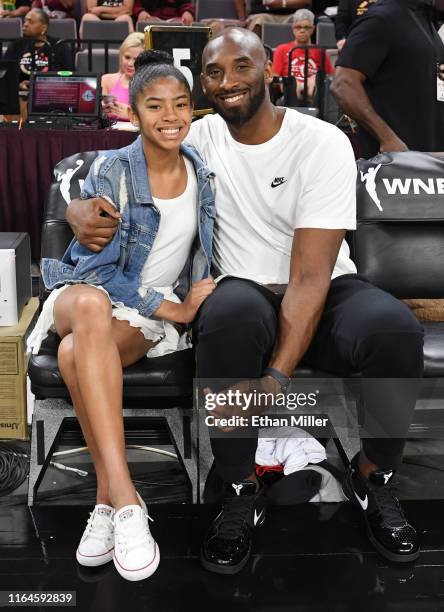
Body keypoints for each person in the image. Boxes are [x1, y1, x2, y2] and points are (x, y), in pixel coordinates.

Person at [66, 28, 424, 574]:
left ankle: (374, 477)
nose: (228, 81)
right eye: (214, 72)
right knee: (228, 317)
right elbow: (116, 161)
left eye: (242, 67)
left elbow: (309, 277)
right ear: (203, 84)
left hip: (321, 285)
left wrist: (275, 379)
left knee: (394, 330)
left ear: (269, 74)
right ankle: (238, 485)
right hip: (242, 287)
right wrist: (76, 207)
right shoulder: (198, 135)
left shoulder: (322, 140)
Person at [27, 50, 216, 581]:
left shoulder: (204, 173)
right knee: (86, 307)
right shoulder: (114, 171)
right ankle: (131, 501)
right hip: (84, 289)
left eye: (181, 104)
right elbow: (100, 273)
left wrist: (194, 299)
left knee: (73, 354)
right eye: (156, 106)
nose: (171, 116)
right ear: (135, 114)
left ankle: (106, 504)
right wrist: (172, 307)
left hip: (138, 313)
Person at [332, 0, 444, 158]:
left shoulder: (426, 19)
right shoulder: (382, 18)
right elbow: (343, 84)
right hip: (395, 163)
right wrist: (387, 138)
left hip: (430, 157)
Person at [4, 8, 72, 117]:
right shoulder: (16, 46)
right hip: (20, 96)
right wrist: (18, 84)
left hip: (50, 95)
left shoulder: (59, 46)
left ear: (44, 27)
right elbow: (4, 75)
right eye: (25, 21)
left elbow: (69, 75)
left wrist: (40, 85)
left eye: (30, 22)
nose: (25, 24)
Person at [272, 8, 334, 103]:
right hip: (288, 94)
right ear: (293, 28)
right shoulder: (282, 49)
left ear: (313, 29)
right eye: (298, 27)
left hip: (314, 94)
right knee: (292, 82)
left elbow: (330, 76)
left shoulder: (319, 51)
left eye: (306, 27)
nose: (302, 30)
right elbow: (275, 77)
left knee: (313, 80)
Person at [101, 32, 144, 121]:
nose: (130, 64)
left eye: (136, 59)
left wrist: (130, 114)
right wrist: (100, 110)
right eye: (127, 57)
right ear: (121, 56)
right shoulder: (106, 80)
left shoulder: (153, 86)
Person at [235, 0, 311, 36]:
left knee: (302, 21)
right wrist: (242, 19)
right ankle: (254, 54)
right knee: (259, 20)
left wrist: (282, 3)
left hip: (292, 14)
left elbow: (307, 1)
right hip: (262, 14)